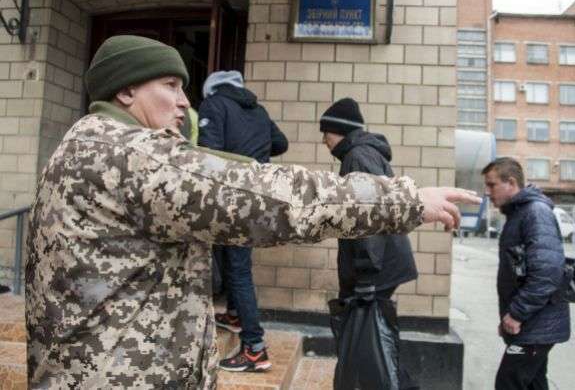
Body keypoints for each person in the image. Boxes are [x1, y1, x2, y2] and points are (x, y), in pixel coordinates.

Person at [25, 34, 481, 389]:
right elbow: (267, 197)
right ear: (126, 90)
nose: (184, 102)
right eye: (170, 86)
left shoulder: (90, 143)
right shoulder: (130, 152)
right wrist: (405, 201)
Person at [320, 98, 419, 389]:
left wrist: (366, 276)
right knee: (374, 342)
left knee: (372, 345)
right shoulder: (364, 153)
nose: (324, 140)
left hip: (376, 268)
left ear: (340, 130)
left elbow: (368, 218)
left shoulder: (357, 157)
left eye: (326, 132)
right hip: (383, 265)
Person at [197, 70, 288, 372]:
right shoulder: (258, 110)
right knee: (232, 259)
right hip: (257, 197)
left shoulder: (213, 105)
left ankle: (254, 349)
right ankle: (234, 314)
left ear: (211, 89)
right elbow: (281, 143)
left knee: (238, 269)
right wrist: (254, 153)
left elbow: (208, 152)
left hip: (231, 197)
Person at [482, 157, 570, 390]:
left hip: (536, 324)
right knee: (533, 384)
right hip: (534, 324)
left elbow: (547, 272)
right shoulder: (520, 213)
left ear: (511, 183)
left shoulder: (535, 212)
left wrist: (516, 314)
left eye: (492, 185)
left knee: (508, 382)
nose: (487, 192)